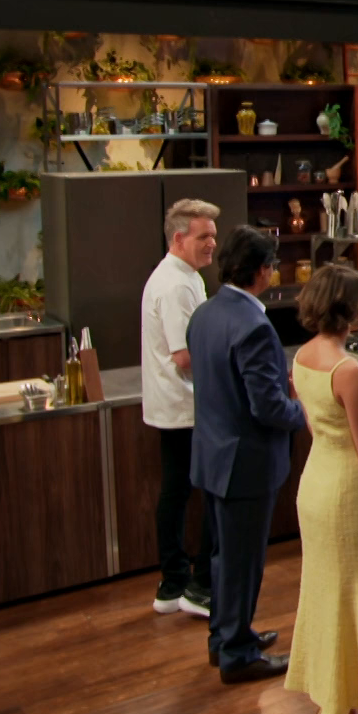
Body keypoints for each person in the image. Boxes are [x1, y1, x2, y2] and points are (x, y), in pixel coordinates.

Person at [188, 225, 305, 683]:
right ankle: (237, 653)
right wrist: (304, 410)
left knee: (223, 557)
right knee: (244, 562)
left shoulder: (205, 313)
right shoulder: (254, 326)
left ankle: (224, 638)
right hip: (246, 463)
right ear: (261, 271)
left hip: (213, 456)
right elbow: (268, 407)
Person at [286, 265, 358, 714]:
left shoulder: (301, 357)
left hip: (315, 482)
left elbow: (315, 426)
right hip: (347, 493)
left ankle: (334, 706)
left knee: (327, 593)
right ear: (350, 309)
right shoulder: (348, 370)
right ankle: (348, 710)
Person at [140, 199, 220, 620]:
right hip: (183, 405)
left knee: (177, 490)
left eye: (213, 236)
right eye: (204, 236)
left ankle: (176, 581)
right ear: (179, 238)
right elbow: (185, 356)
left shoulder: (187, 276)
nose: (212, 244)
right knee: (196, 491)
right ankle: (190, 583)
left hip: (180, 403)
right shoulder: (175, 285)